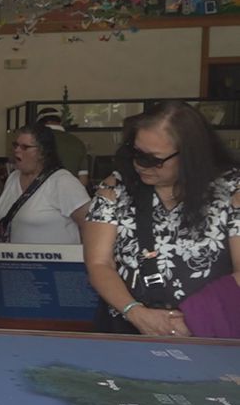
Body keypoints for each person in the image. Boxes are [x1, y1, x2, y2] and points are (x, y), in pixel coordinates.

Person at [84, 101, 240, 336]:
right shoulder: (115, 188)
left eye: (153, 159)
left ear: (189, 155)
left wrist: (194, 319)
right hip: (128, 329)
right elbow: (99, 263)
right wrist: (135, 312)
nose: (139, 164)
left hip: (208, 333)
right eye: (135, 153)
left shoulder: (231, 191)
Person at [0, 124, 90, 244]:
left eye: (25, 147)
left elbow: (91, 226)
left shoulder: (63, 182)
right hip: (13, 260)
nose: (17, 150)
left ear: (42, 152)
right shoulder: (13, 178)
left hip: (55, 261)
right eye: (16, 145)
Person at [38, 107, 90, 186]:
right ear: (60, 122)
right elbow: (83, 179)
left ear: (40, 123)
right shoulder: (77, 142)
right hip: (70, 192)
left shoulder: (35, 140)